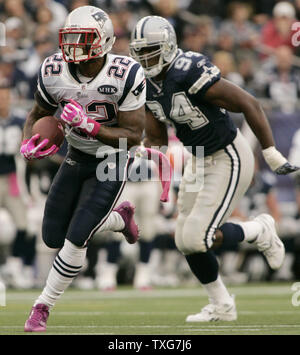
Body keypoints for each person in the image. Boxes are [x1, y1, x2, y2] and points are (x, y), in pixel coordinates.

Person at [129, 16, 299, 322]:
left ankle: (258, 229)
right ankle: (222, 304)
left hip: (227, 155)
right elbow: (155, 137)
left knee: (196, 237)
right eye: (139, 52)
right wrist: (138, 151)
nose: (144, 59)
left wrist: (271, 153)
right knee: (184, 239)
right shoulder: (145, 84)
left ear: (167, 47)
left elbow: (250, 103)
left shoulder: (188, 70)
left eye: (151, 51)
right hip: (197, 158)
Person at [21, 5, 146, 332]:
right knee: (52, 236)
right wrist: (27, 143)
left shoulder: (126, 73)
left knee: (77, 237)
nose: (74, 45)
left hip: (113, 156)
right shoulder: (52, 70)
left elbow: (133, 136)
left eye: (83, 38)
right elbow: (36, 114)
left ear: (103, 41)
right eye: (70, 37)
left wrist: (91, 126)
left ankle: (42, 306)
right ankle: (119, 218)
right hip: (77, 154)